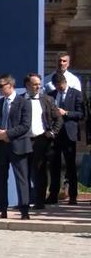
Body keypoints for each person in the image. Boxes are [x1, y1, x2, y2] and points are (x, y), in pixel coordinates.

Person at [0, 74, 32, 220]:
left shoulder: (24, 102)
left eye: (1, 86)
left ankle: (24, 210)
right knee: (1, 178)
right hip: (1, 146)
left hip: (18, 146)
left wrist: (8, 134)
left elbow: (25, 125)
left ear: (10, 85)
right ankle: (2, 209)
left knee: (22, 179)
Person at [22, 72, 61, 210]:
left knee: (39, 172)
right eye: (35, 84)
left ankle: (39, 202)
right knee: (23, 173)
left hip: (41, 140)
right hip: (24, 140)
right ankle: (24, 202)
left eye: (39, 84)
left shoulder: (47, 99)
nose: (38, 87)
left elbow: (58, 118)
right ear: (27, 85)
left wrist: (52, 132)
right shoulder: (20, 100)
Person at [48, 73, 84, 205]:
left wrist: (66, 113)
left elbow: (81, 114)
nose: (59, 89)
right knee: (54, 166)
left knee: (70, 166)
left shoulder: (76, 94)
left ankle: (73, 196)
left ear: (64, 82)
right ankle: (53, 194)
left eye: (60, 86)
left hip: (69, 135)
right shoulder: (51, 95)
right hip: (55, 135)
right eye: (57, 87)